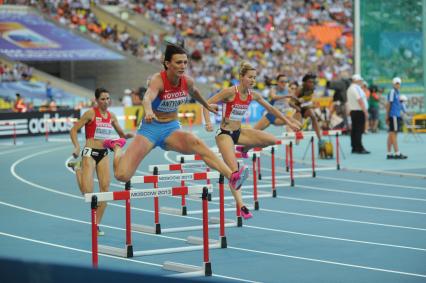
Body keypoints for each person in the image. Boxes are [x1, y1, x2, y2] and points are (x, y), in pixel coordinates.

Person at [103, 43, 250, 215]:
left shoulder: (187, 81)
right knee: (122, 176)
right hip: (150, 130)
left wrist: (206, 105)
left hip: (171, 128)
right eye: (178, 62)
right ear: (167, 64)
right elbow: (147, 97)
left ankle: (232, 176)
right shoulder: (158, 80)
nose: (183, 66)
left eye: (185, 62)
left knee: (197, 143)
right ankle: (117, 147)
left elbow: (195, 92)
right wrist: (149, 110)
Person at [203, 61, 301, 219]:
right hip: (224, 134)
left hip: (239, 132)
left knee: (271, 140)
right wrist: (208, 122)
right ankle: (241, 206)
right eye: (250, 77)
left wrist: (289, 122)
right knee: (234, 172)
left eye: (255, 78)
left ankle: (244, 148)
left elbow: (271, 109)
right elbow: (206, 104)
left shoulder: (252, 94)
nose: (253, 80)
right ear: (241, 77)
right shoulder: (229, 92)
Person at [69, 88, 134, 236]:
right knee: (87, 192)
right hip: (90, 153)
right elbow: (73, 130)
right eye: (103, 99)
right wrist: (77, 146)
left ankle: (96, 224)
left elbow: (121, 134)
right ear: (97, 100)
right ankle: (78, 168)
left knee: (105, 191)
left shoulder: (112, 116)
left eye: (108, 98)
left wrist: (128, 136)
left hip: (104, 153)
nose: (106, 101)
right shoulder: (90, 113)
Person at [286, 73, 324, 145]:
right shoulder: (300, 90)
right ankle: (296, 141)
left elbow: (309, 100)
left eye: (313, 82)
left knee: (313, 116)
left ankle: (320, 139)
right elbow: (290, 103)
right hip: (298, 110)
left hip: (306, 109)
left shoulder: (312, 88)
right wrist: (297, 107)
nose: (311, 83)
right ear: (305, 82)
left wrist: (312, 105)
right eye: (309, 82)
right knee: (298, 129)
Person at [346, 74, 370, 154]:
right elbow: (360, 100)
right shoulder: (355, 88)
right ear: (356, 81)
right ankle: (359, 147)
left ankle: (354, 147)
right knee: (359, 130)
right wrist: (365, 111)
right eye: (360, 80)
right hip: (358, 111)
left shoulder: (351, 88)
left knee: (355, 130)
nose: (361, 82)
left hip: (354, 111)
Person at [386, 77, 407, 159]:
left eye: (399, 83)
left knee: (392, 134)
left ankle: (389, 153)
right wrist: (387, 116)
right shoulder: (392, 92)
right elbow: (389, 104)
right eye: (396, 83)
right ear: (393, 84)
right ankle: (397, 153)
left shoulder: (397, 92)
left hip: (396, 115)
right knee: (393, 134)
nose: (397, 85)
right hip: (393, 115)